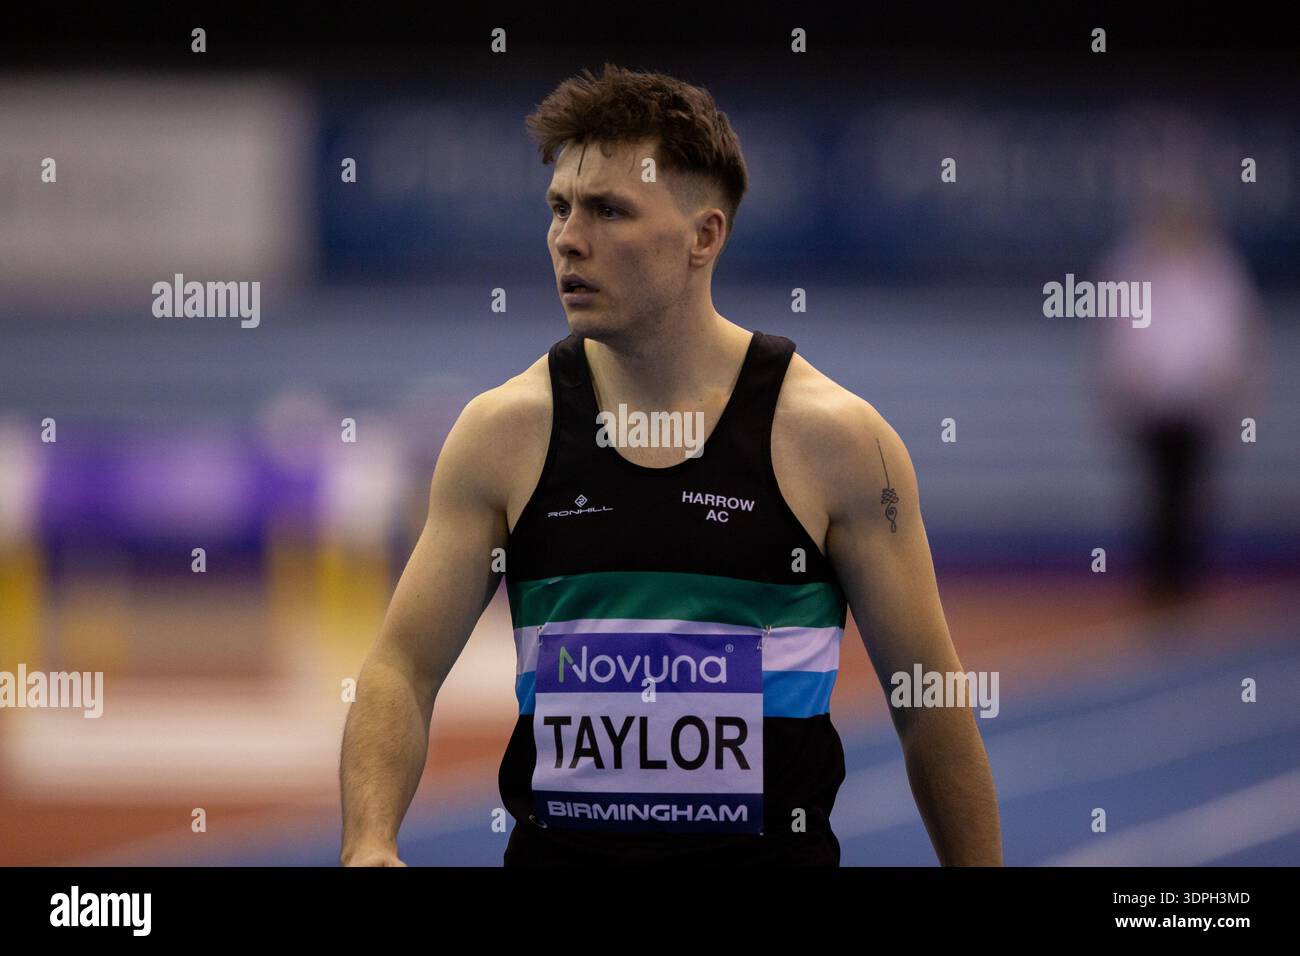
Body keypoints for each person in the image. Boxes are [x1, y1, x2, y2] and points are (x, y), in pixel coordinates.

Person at [340, 64, 1001, 867]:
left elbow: (927, 702)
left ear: (704, 235)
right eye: (558, 207)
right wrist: (369, 841)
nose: (567, 238)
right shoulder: (503, 434)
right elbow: (401, 669)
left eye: (608, 210)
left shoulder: (834, 441)